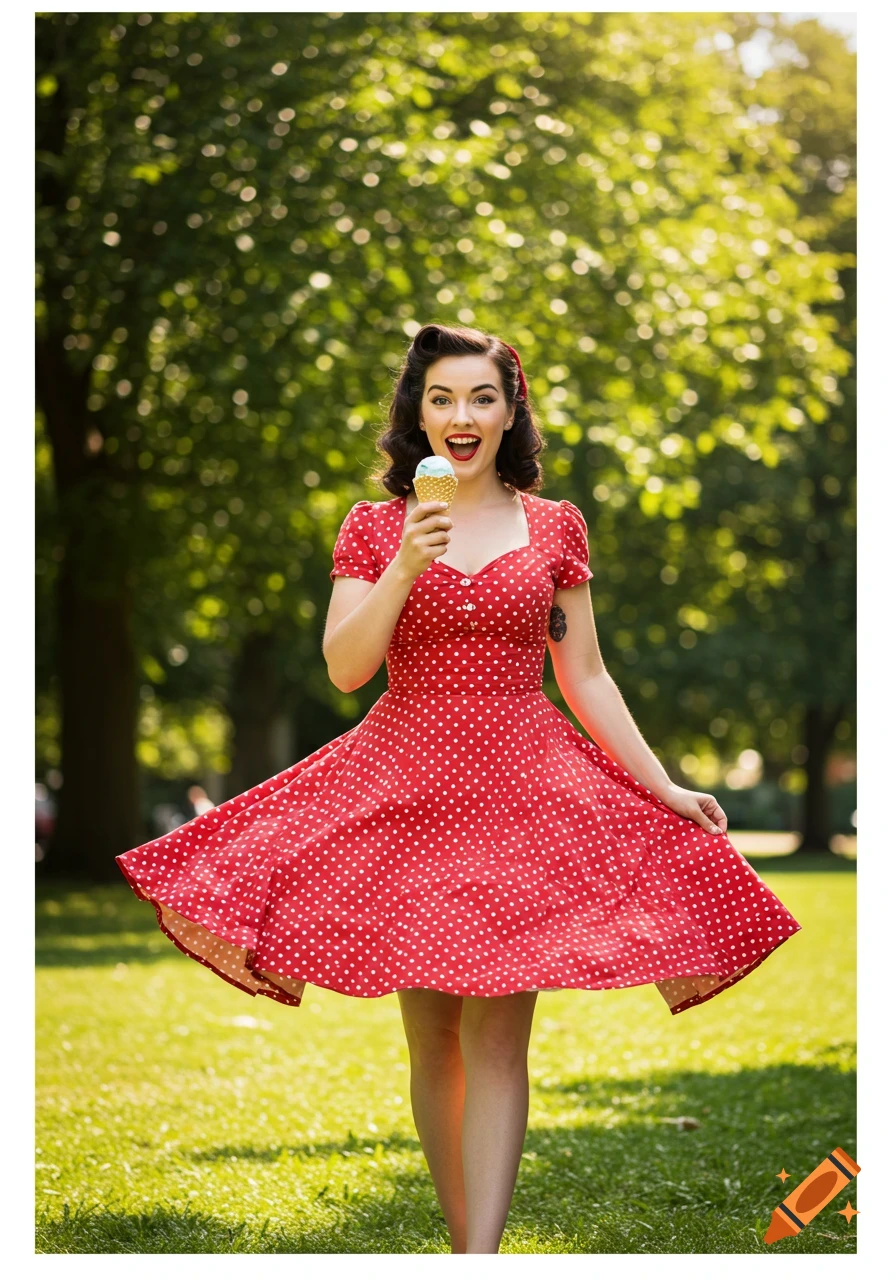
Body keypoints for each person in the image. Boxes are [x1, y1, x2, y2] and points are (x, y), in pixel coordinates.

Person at [116, 322, 801, 1254]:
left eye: (481, 396)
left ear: (511, 409)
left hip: (523, 790)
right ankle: (462, 1244)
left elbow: (586, 674)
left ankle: (481, 1257)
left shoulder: (556, 524)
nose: (461, 416)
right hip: (403, 789)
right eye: (441, 398)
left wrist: (665, 784)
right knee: (432, 1040)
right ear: (417, 414)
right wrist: (406, 561)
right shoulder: (373, 525)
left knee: (499, 1042)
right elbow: (348, 670)